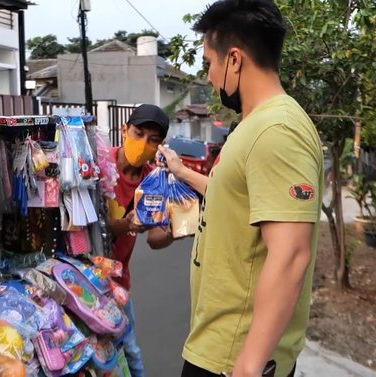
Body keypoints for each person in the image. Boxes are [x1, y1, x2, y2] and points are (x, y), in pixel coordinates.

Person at [158, 1, 323, 376]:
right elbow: (235, 196)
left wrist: (249, 364)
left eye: (209, 63)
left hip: (235, 358)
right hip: (218, 346)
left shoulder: (277, 130)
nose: (211, 77)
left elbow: (291, 253)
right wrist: (183, 172)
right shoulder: (255, 126)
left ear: (234, 59)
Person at [105, 104, 176, 377]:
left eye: (153, 140)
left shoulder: (154, 181)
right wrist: (127, 225)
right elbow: (98, 225)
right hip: (83, 277)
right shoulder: (102, 164)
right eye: (138, 133)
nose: (143, 143)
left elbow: (155, 239)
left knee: (130, 349)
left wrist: (179, 227)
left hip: (119, 282)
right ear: (124, 130)